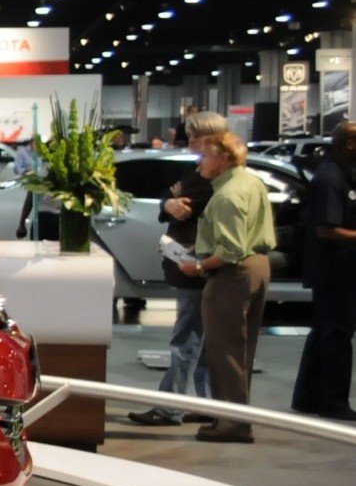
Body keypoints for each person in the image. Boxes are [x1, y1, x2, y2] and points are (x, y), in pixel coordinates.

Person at [128, 110, 229, 428]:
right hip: (188, 263)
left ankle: (170, 407)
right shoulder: (196, 170)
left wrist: (173, 202)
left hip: (199, 265)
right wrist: (168, 203)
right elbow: (170, 198)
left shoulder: (215, 177)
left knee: (187, 338)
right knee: (198, 338)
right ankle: (205, 403)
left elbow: (186, 202)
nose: (191, 141)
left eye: (196, 136)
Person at [185, 129, 277, 445]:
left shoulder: (227, 195)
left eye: (205, 155)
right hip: (257, 267)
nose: (200, 162)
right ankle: (230, 417)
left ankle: (233, 423)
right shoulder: (251, 182)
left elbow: (231, 251)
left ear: (223, 158)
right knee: (241, 350)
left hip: (234, 274)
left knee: (225, 351)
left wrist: (198, 266)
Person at [290, 120, 356, 420]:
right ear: (349, 144)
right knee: (336, 337)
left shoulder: (342, 174)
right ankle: (334, 402)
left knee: (324, 333)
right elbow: (326, 229)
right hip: (335, 271)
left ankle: (307, 398)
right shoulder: (330, 178)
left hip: (340, 269)